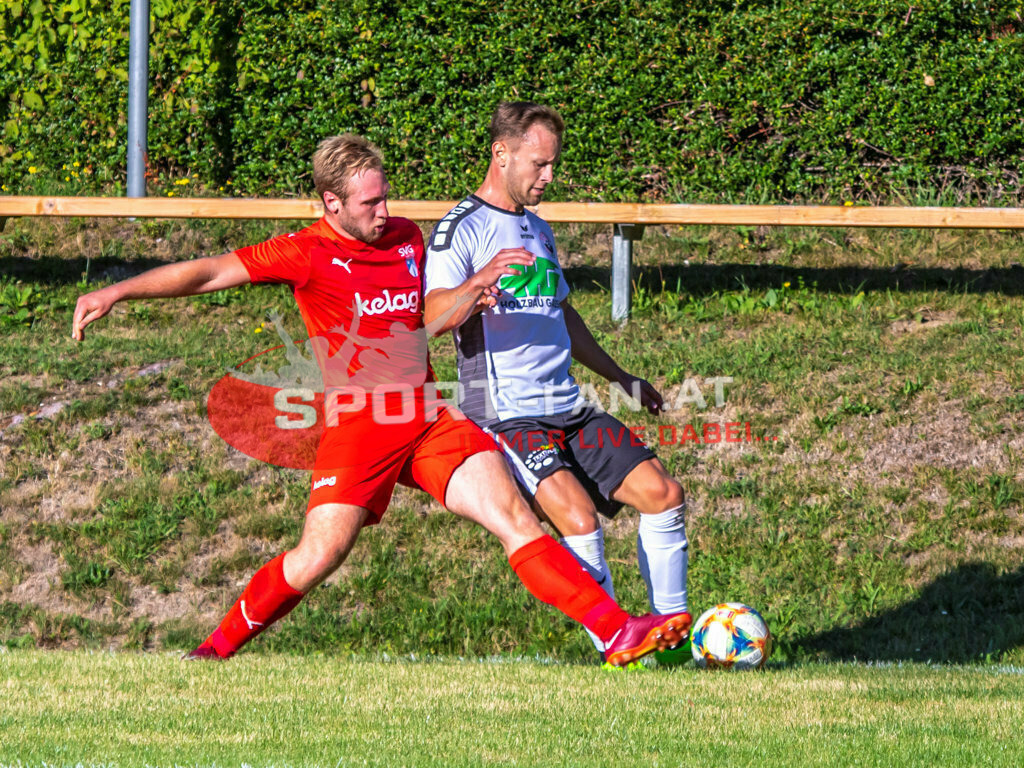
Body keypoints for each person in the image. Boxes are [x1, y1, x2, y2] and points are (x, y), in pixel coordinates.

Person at [71, 133, 690, 666]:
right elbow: (207, 272)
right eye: (370, 202)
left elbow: (430, 313)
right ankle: (213, 650)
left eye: (386, 195)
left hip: (427, 417)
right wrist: (117, 292)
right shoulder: (306, 251)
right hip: (362, 427)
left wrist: (476, 293)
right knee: (319, 557)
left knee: (515, 519)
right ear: (331, 203)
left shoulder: (405, 238)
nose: (384, 209)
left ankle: (615, 631)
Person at [423, 103, 690, 664]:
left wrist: (620, 378)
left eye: (553, 165)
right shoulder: (459, 230)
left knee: (664, 495)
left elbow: (561, 315)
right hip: (506, 414)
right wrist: (479, 280)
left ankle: (672, 643)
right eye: (540, 165)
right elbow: (430, 318)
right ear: (502, 154)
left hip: (568, 406)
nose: (549, 177)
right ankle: (619, 647)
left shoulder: (536, 227)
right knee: (578, 516)